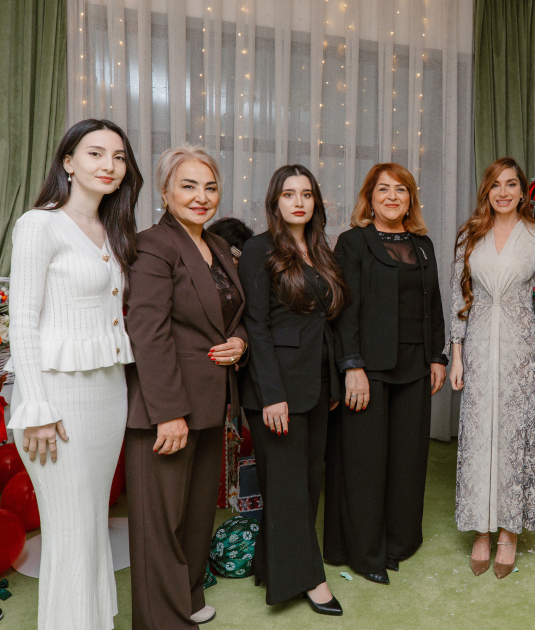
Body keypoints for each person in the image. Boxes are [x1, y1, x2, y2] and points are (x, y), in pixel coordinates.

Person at [7, 119, 142, 630]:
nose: (109, 165)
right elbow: (23, 321)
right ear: (68, 161)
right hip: (56, 399)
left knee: (91, 527)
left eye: (119, 157)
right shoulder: (39, 224)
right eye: (95, 153)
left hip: (106, 394)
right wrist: (36, 408)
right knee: (69, 532)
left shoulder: (111, 230)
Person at [124, 145, 248, 629]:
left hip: (211, 400)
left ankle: (189, 596)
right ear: (165, 191)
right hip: (168, 405)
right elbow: (148, 332)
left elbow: (232, 314)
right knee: (159, 522)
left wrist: (240, 342)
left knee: (196, 515)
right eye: (188, 185)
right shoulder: (153, 244)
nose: (201, 197)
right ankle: (162, 619)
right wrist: (168, 412)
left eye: (210, 187)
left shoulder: (216, 244)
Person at [323, 163, 448, 585]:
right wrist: (352, 365)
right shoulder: (353, 242)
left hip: (416, 366)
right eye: (383, 190)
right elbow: (344, 309)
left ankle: (399, 543)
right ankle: (365, 552)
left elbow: (433, 305)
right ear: (369, 198)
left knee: (407, 460)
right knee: (366, 463)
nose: (392, 197)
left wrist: (438, 357)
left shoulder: (423, 245)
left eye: (401, 190)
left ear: (410, 199)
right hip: (369, 370)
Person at [238, 165, 348, 615]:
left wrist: (335, 378)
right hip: (277, 387)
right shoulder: (258, 249)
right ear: (275, 202)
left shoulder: (321, 249)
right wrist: (272, 394)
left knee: (306, 483)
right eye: (289, 194)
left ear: (315, 202)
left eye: (306, 194)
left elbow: (327, 322)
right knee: (287, 488)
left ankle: (272, 564)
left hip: (317, 384)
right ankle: (310, 580)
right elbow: (257, 325)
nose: (298, 202)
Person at [448, 157, 535, 578]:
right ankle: (481, 528)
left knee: (514, 436)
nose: (503, 192)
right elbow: (458, 297)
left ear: (522, 190)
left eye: (511, 184)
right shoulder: (469, 235)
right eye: (495, 185)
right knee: (479, 435)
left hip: (521, 349)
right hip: (477, 345)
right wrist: (456, 354)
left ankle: (509, 531)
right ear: (486, 192)